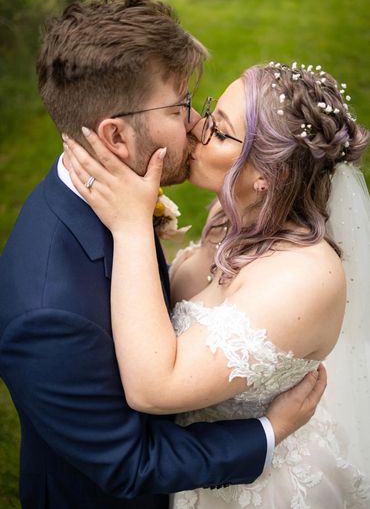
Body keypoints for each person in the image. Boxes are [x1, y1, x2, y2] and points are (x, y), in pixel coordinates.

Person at [0, 0, 325, 509]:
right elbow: (131, 463)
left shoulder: (116, 196)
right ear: (116, 136)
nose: (196, 122)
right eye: (178, 109)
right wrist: (269, 431)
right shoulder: (48, 314)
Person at [63, 61, 370, 508]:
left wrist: (131, 226)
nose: (195, 128)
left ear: (270, 176)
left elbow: (155, 389)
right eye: (210, 112)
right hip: (195, 463)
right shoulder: (230, 219)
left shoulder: (305, 278)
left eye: (220, 132)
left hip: (257, 484)